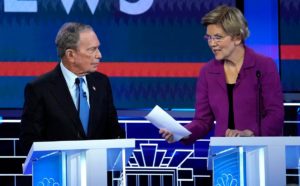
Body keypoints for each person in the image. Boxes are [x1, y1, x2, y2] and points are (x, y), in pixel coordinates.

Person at [160, 5, 284, 144]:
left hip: (261, 151)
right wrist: (182, 133)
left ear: (237, 37)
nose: (212, 44)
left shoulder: (264, 66)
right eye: (209, 37)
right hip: (222, 154)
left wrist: (252, 134)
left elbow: (275, 114)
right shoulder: (207, 72)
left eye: (218, 37)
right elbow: (202, 120)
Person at [20, 22, 125, 154]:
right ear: (71, 55)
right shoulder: (39, 89)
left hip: (97, 171)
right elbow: (29, 142)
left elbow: (113, 131)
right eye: (92, 49)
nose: (99, 55)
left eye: (98, 48)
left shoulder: (101, 83)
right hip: (58, 171)